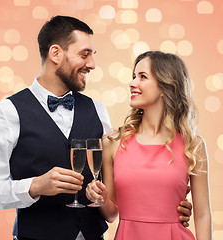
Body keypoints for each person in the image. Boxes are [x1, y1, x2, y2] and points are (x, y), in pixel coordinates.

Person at [0, 16, 192, 240]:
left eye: (92, 56)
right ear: (56, 53)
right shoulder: (6, 112)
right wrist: (35, 186)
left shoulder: (97, 110)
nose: (92, 64)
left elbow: (120, 186)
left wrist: (169, 207)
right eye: (84, 54)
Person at [85, 51, 212, 239]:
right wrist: (101, 198)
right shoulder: (113, 143)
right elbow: (112, 214)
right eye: (134, 76)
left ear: (166, 85)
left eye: (142, 77)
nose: (132, 83)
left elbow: (202, 214)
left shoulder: (193, 144)